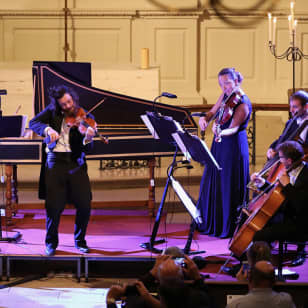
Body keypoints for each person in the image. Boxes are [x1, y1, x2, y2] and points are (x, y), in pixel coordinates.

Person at [29, 85, 96, 256]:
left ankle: (80, 241)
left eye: (69, 102)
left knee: (84, 204)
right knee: (53, 207)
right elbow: (33, 122)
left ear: (72, 99)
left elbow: (88, 149)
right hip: (55, 162)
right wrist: (47, 129)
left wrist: (87, 138)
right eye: (63, 104)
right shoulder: (51, 111)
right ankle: (51, 243)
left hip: (76, 163)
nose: (68, 106)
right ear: (58, 105)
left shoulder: (84, 115)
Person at [197, 67, 252, 238]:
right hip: (220, 144)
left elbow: (233, 129)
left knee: (228, 184)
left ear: (236, 81)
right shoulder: (226, 96)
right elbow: (213, 112)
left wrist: (219, 131)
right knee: (213, 181)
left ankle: (227, 226)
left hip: (233, 147)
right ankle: (212, 221)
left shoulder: (243, 103)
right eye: (221, 84)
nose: (224, 88)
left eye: (227, 83)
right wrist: (204, 118)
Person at [251, 141, 308, 265]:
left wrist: (287, 185)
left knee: (259, 235)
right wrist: (262, 183)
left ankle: (259, 268)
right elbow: (276, 194)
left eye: (280, 157)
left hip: (298, 223)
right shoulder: (290, 169)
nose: (279, 160)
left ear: (289, 160)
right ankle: (245, 262)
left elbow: (300, 205)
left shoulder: (306, 174)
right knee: (254, 224)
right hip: (284, 215)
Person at [226, 260, 296, 308]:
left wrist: (242, 284)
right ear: (274, 280)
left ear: (250, 279)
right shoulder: (286, 301)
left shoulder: (235, 305)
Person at [267, 90, 308, 160]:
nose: (291, 110)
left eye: (295, 107)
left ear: (306, 106)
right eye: (290, 106)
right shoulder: (290, 123)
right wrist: (271, 148)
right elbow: (282, 139)